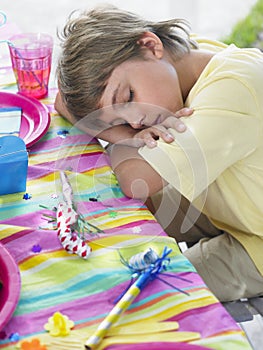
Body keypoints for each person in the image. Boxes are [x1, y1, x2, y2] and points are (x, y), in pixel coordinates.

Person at [55, 4, 263, 302]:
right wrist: (122, 134)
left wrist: (118, 137)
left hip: (256, 241)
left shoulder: (233, 88)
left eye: (128, 97)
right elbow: (63, 102)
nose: (137, 121)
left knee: (143, 292)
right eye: (121, 119)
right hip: (230, 199)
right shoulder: (186, 60)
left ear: (151, 45)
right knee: (105, 221)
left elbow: (135, 179)